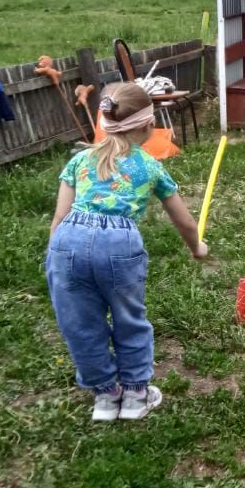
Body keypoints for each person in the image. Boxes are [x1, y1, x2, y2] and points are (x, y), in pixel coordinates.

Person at [46, 83, 208, 421]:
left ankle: (105, 396)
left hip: (68, 242)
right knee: (129, 319)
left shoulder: (79, 161)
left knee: (80, 324)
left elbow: (60, 217)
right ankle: (135, 394)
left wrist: (54, 254)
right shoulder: (149, 167)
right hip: (118, 244)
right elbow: (185, 222)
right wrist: (197, 247)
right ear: (148, 126)